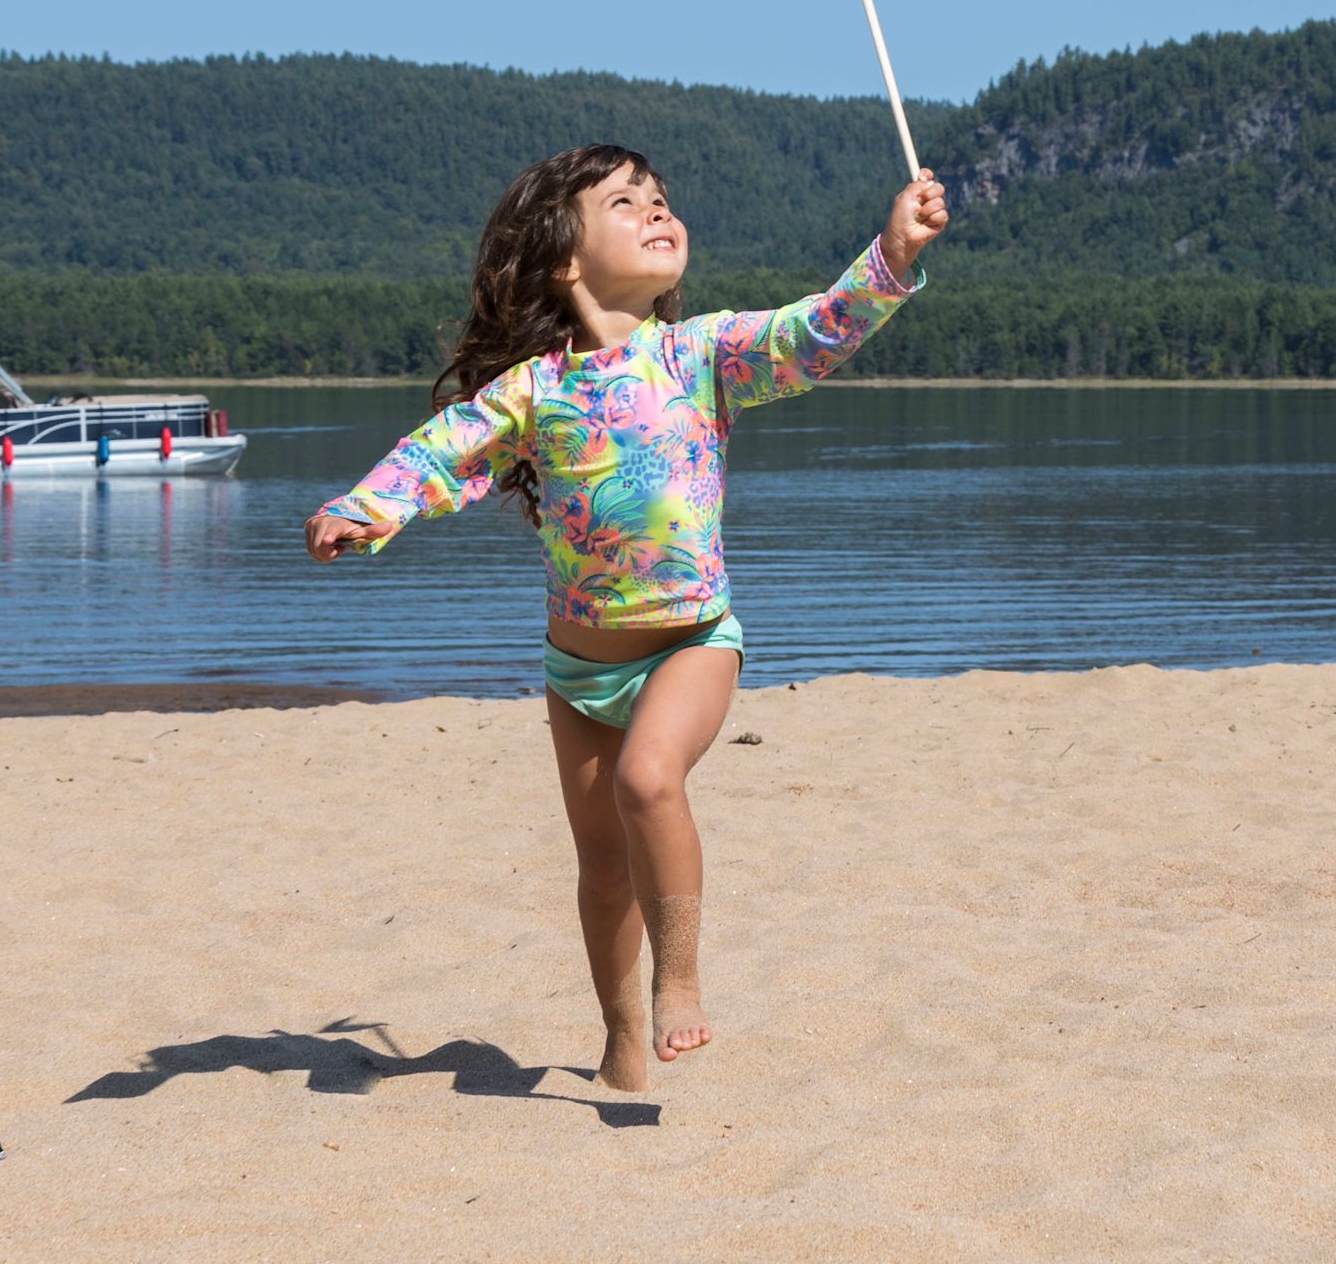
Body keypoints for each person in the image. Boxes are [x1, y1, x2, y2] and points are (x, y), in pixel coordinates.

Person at [309, 147, 947, 1092]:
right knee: (603, 868)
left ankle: (678, 982)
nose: (658, 211)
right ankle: (617, 1031)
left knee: (650, 782)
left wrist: (891, 253)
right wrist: (370, 507)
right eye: (625, 202)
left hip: (693, 641)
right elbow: (443, 452)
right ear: (566, 259)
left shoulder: (701, 353)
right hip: (579, 672)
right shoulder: (535, 390)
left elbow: (813, 332)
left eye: (662, 199)